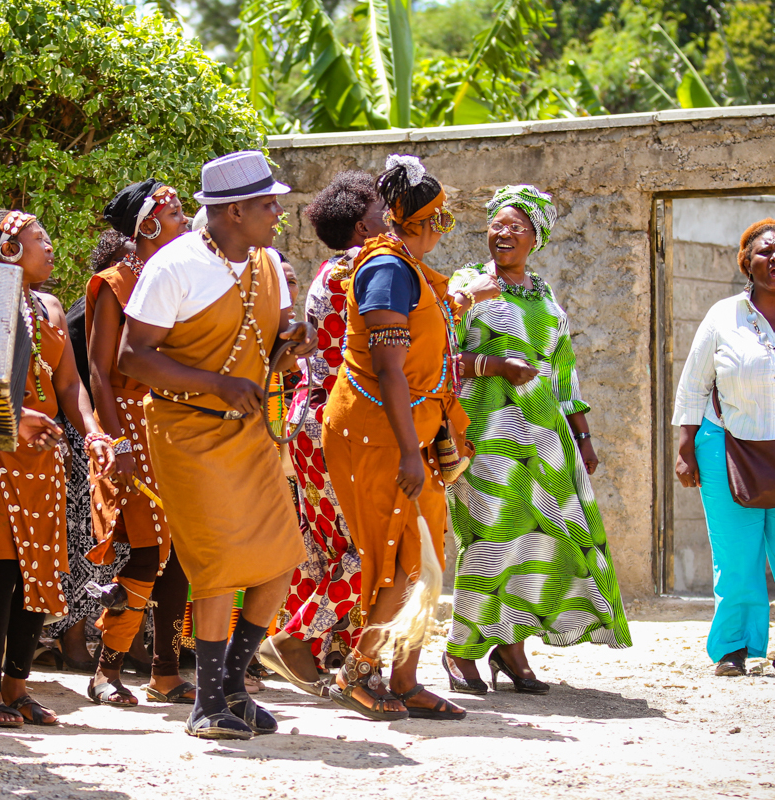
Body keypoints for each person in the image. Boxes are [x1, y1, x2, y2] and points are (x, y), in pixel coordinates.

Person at [120, 150, 315, 740]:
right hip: (186, 430)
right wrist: (217, 383)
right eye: (266, 204)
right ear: (231, 212)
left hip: (248, 428)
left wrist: (293, 343)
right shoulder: (172, 267)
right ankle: (204, 703)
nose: (278, 213)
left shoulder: (266, 265)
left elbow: (274, 340)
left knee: (281, 560)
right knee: (218, 566)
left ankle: (232, 683)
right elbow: (132, 358)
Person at [320, 155, 496, 722]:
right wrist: (406, 452)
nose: (444, 227)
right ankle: (355, 674)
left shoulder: (412, 270)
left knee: (424, 559)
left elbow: (431, 336)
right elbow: (390, 368)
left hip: (411, 432)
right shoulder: (386, 271)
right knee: (398, 561)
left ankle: (404, 679)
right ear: (421, 221)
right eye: (440, 217)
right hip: (377, 435)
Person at [445, 184, 632, 696]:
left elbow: (563, 370)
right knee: (490, 536)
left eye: (517, 227)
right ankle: (460, 649)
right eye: (498, 224)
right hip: (486, 432)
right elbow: (439, 357)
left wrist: (583, 436)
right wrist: (496, 365)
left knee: (539, 539)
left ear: (537, 238)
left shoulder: (544, 292)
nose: (503, 233)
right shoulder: (467, 285)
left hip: (545, 432)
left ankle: (510, 647)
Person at [0, 209, 115, 728]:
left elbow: (70, 386)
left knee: (37, 574)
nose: (49, 248)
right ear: (6, 249)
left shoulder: (48, 306)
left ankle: (17, 688)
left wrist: (93, 432)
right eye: (38, 239)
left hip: (45, 456)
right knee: (1, 571)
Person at [673, 219, 775, 678]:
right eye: (765, 253)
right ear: (746, 262)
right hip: (726, 449)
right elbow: (693, 386)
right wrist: (686, 448)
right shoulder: (722, 316)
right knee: (736, 558)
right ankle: (734, 648)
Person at [258, 171, 387, 695]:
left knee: (328, 551)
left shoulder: (326, 273)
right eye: (382, 211)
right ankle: (294, 638)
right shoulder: (366, 270)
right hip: (339, 427)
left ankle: (342, 658)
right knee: (365, 551)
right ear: (361, 226)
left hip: (309, 424)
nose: (391, 219)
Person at [85, 180, 194, 707]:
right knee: (150, 551)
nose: (187, 218)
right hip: (131, 421)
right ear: (146, 224)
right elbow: (99, 371)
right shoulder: (115, 283)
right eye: (174, 212)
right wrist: (116, 438)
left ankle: (166, 670)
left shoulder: (179, 277)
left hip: (176, 424)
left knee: (183, 554)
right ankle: (106, 668)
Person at [43, 231, 135, 674]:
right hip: (79, 434)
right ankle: (71, 635)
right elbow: (81, 376)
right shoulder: (91, 306)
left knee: (116, 546)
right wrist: (99, 436)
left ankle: (123, 636)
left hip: (101, 433)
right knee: (80, 541)